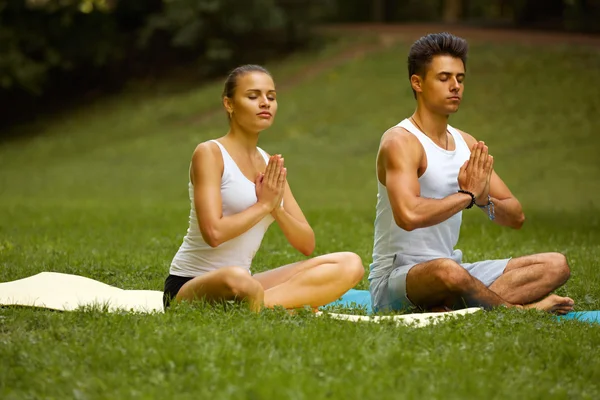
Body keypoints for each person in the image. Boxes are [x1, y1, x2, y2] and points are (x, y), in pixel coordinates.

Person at [369, 32, 574, 314]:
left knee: (555, 265)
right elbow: (408, 215)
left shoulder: (465, 144)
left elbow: (515, 216)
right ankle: (516, 310)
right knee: (448, 272)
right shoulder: (400, 142)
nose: (455, 86)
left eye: (460, 79)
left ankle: (450, 307)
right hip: (398, 279)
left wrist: (482, 200)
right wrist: (466, 196)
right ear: (417, 82)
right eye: (444, 78)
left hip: (454, 269)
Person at [163, 64, 364, 311]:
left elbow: (306, 243)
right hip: (191, 284)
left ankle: (261, 305)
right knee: (236, 279)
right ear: (229, 104)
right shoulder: (210, 153)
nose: (265, 103)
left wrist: (276, 208)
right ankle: (281, 305)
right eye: (253, 96)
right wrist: (264, 205)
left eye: (271, 96)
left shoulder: (269, 163)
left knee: (350, 264)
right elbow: (213, 233)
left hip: (247, 283)